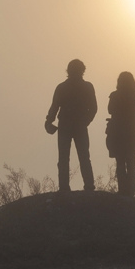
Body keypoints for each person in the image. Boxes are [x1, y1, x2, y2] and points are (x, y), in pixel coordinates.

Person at [45, 59, 97, 192]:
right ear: (82, 70)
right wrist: (86, 121)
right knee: (84, 157)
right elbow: (93, 108)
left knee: (64, 158)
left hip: (66, 125)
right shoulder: (87, 87)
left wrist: (49, 121)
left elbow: (54, 107)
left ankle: (64, 187)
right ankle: (89, 186)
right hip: (77, 125)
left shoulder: (62, 87)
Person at [106, 71, 135, 197]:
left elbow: (110, 110)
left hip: (118, 132)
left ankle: (122, 191)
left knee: (120, 162)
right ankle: (131, 191)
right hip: (131, 132)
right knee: (131, 162)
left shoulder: (115, 95)